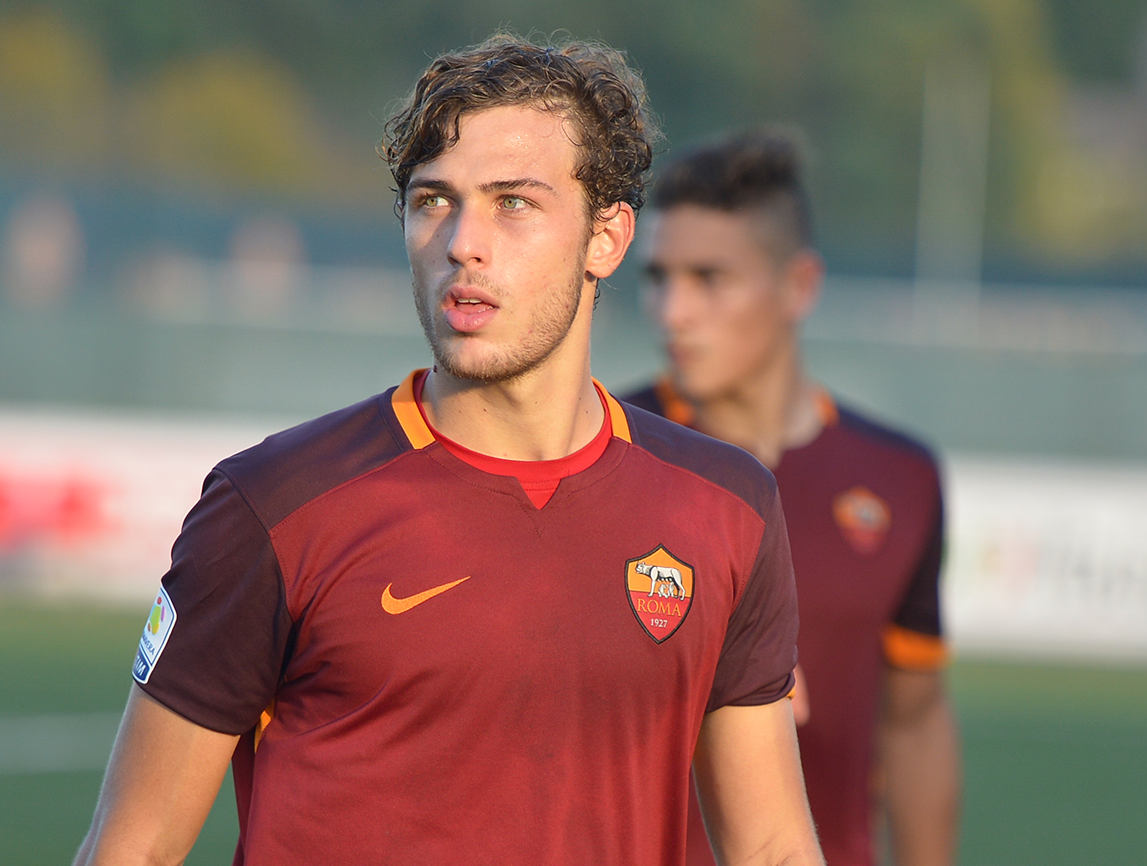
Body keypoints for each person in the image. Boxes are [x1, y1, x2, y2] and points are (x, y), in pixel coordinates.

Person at [74, 36, 824, 866]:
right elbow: (132, 850)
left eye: (513, 203)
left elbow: (772, 848)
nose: (464, 241)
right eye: (433, 200)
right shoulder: (273, 507)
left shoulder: (726, 508)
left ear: (607, 239)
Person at [623, 130, 961, 866]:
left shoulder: (901, 477)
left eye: (708, 278)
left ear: (799, 286)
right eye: (658, 277)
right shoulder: (607, 454)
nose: (672, 311)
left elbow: (914, 720)